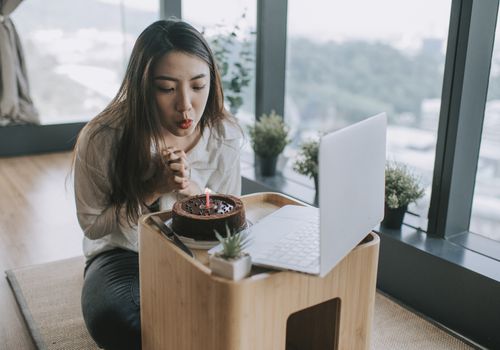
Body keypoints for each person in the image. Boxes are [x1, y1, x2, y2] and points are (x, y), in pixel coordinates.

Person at [73, 19, 243, 350]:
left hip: (199, 250)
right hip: (124, 254)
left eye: (198, 85)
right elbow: (93, 227)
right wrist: (151, 187)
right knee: (122, 323)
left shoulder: (225, 135)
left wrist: (187, 191)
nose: (185, 105)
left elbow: (229, 224)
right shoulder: (102, 138)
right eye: (166, 88)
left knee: (244, 308)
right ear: (142, 86)